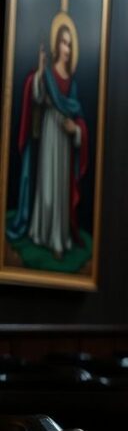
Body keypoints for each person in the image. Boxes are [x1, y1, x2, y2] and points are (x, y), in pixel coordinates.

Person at [7, 21, 89, 260]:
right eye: (64, 43)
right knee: (47, 183)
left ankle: (58, 238)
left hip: (63, 139)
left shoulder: (71, 83)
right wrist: (41, 71)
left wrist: (76, 130)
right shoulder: (49, 74)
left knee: (60, 186)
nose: (67, 48)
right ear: (56, 45)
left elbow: (78, 115)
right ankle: (41, 232)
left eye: (70, 44)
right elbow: (37, 97)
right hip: (48, 132)